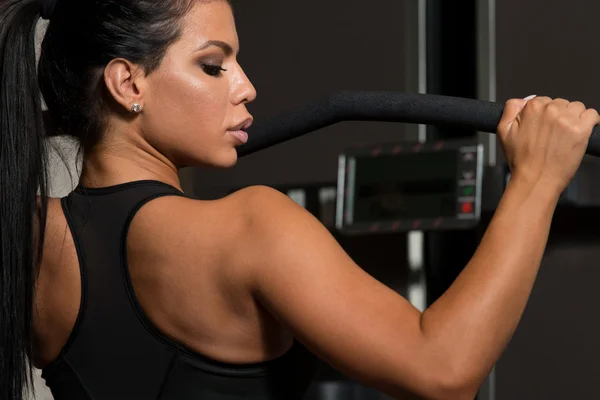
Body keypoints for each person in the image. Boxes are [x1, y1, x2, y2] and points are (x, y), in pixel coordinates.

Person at [0, 0, 598, 399]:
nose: (247, 87)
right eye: (214, 66)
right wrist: (538, 178)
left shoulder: (25, 240)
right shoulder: (252, 226)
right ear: (127, 83)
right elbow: (443, 370)